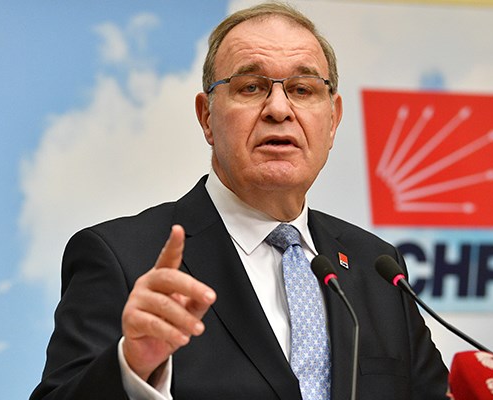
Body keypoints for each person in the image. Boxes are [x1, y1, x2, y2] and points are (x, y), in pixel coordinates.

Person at [30, 2, 448, 399]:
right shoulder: (122, 257)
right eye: (251, 87)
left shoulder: (378, 267)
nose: (279, 109)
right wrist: (132, 367)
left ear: (333, 120)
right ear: (207, 117)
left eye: (303, 89)